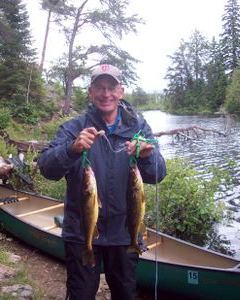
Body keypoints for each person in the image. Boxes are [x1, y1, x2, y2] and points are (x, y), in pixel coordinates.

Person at [38, 64, 166, 300]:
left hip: (125, 234)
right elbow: (46, 168)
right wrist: (71, 149)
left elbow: (158, 174)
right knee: (80, 294)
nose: (106, 94)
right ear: (90, 91)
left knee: (125, 293)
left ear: (121, 91)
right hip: (81, 232)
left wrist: (147, 156)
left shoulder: (139, 128)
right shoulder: (73, 128)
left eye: (112, 87)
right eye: (100, 87)